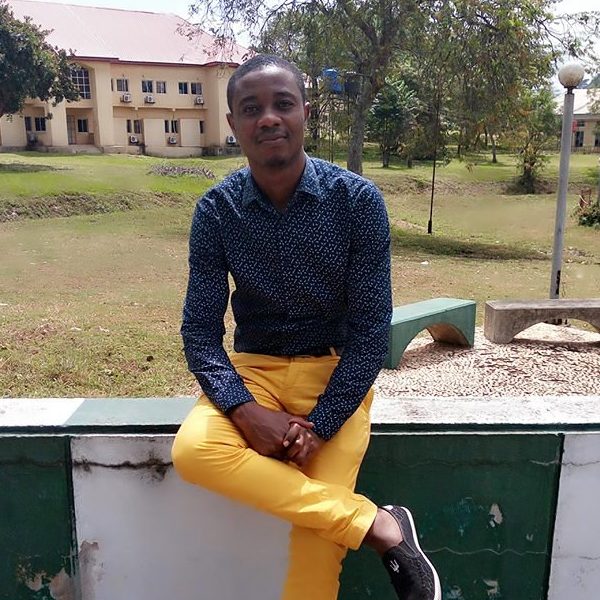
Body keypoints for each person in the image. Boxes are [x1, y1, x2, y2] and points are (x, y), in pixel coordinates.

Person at [171, 54, 441, 600]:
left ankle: (360, 524)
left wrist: (320, 425)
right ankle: (380, 526)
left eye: (283, 104)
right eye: (252, 108)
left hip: (334, 375)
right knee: (195, 451)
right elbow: (199, 329)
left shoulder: (356, 201)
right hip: (255, 374)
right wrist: (245, 411)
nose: (268, 118)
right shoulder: (217, 211)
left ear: (306, 114)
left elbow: (371, 330)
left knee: (316, 544)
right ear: (234, 124)